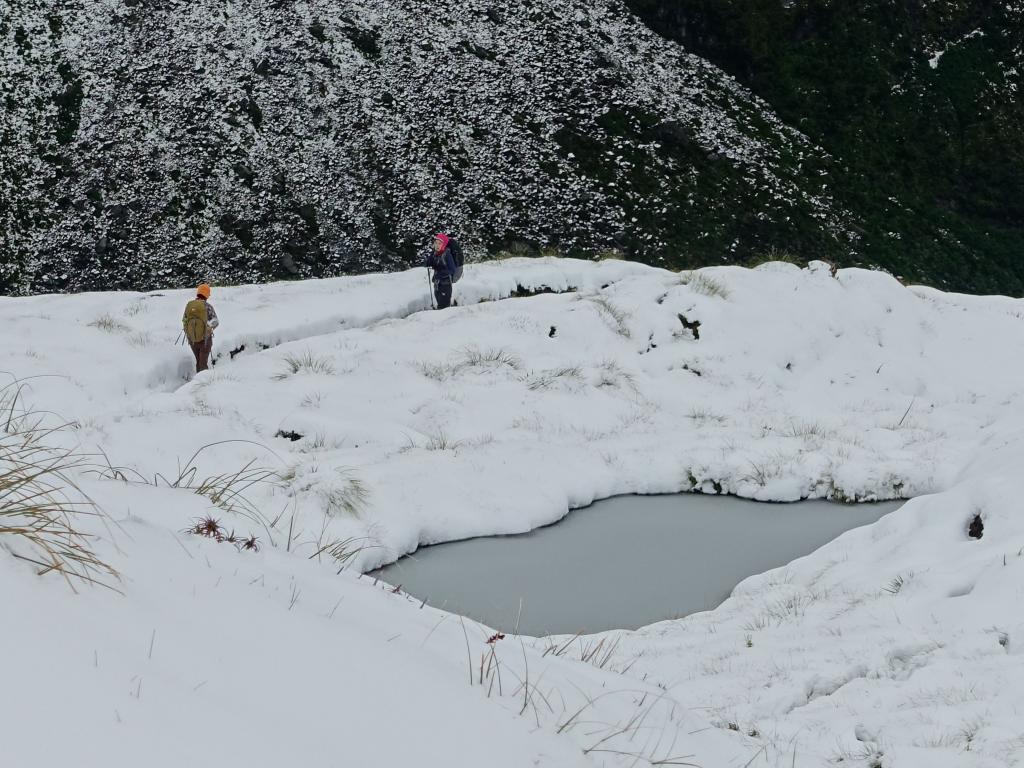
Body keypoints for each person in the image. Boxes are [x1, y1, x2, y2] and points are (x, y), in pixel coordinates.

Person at [182, 283, 219, 373]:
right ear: (206, 294)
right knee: (203, 363)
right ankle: (203, 383)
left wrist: (191, 332)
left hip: (192, 339)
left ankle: (197, 381)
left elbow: (184, 320)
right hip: (205, 339)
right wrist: (208, 328)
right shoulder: (208, 306)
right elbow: (216, 321)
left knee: (199, 361)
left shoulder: (190, 306)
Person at [425, 233, 457, 310]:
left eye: (439, 243)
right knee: (440, 303)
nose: (437, 245)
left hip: (446, 284)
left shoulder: (447, 254)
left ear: (444, 245)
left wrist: (440, 274)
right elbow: (429, 264)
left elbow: (452, 269)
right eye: (436, 243)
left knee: (444, 307)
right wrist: (428, 261)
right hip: (437, 284)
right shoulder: (434, 253)